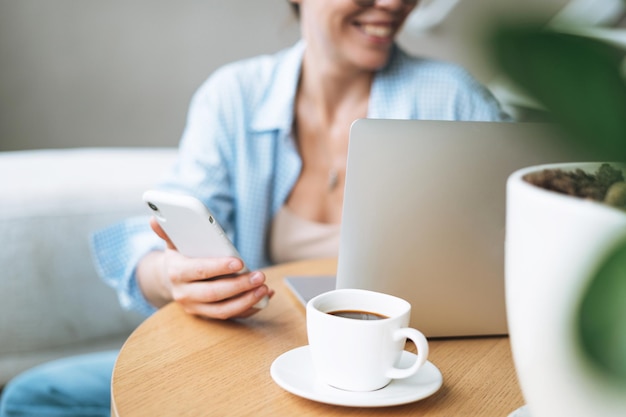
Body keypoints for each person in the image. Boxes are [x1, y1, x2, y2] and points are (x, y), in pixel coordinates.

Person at [0, 0, 510, 415]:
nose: (395, 3)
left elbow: (513, 236)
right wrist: (170, 275)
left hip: (393, 359)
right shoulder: (234, 97)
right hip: (257, 347)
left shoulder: (453, 98)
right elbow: (153, 232)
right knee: (35, 395)